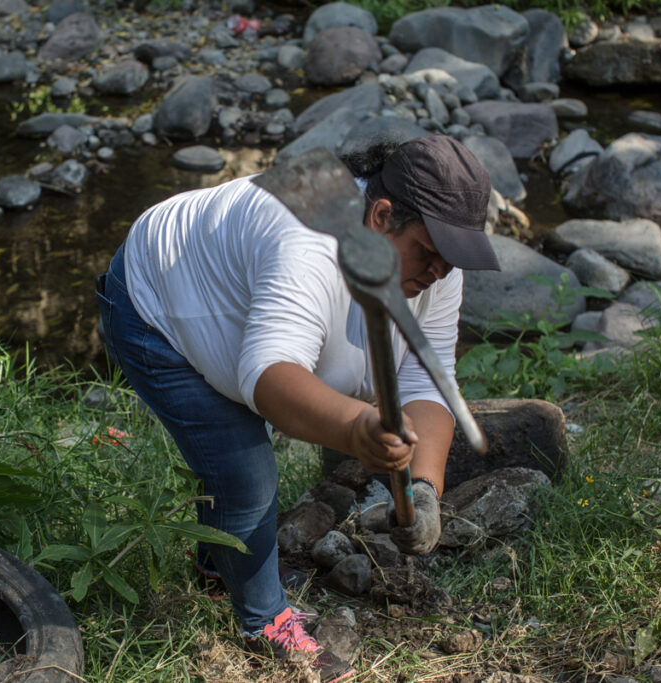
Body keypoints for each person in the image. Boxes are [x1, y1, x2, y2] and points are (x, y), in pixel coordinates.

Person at [95, 135, 500, 683]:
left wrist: (424, 487)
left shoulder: (433, 263)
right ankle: (263, 622)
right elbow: (270, 378)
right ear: (381, 216)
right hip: (157, 301)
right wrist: (358, 427)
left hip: (230, 304)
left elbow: (427, 380)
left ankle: (217, 563)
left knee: (234, 462)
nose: (439, 273)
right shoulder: (307, 241)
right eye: (429, 254)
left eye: (449, 261)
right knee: (244, 472)